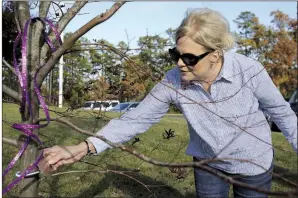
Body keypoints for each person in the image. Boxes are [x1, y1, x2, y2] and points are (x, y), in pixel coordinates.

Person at [43, 8, 297, 198]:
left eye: (189, 57)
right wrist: (83, 147)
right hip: (207, 165)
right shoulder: (174, 81)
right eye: (176, 54)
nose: (179, 63)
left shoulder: (249, 71)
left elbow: (283, 115)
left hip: (253, 163)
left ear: (216, 55)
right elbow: (136, 119)